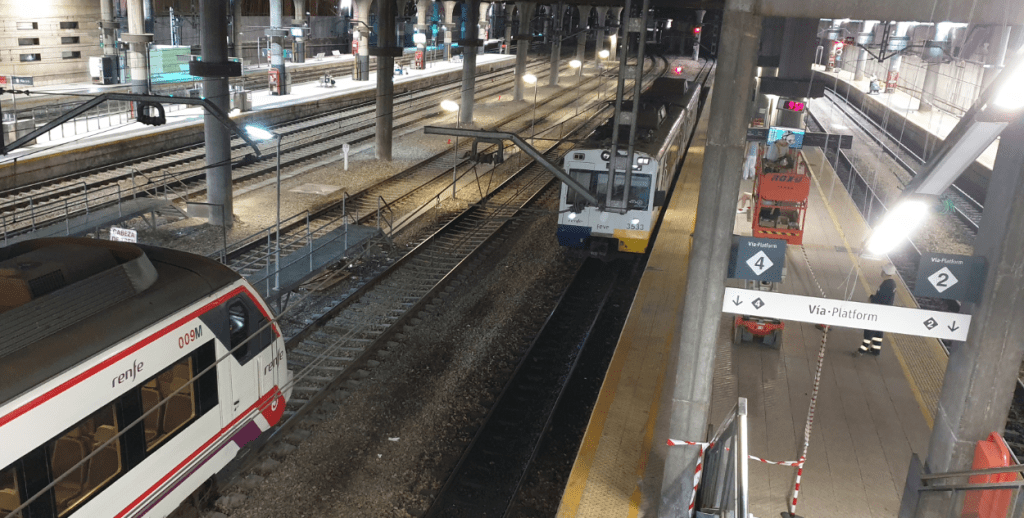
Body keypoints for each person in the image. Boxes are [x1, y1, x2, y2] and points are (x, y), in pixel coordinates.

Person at [859, 264, 897, 356]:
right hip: (885, 312)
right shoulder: (892, 283)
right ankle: (876, 349)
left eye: (882, 270)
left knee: (870, 329)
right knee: (879, 331)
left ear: (885, 272)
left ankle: (862, 349)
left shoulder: (887, 285)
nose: (881, 271)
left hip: (879, 311)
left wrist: (871, 299)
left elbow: (880, 299)